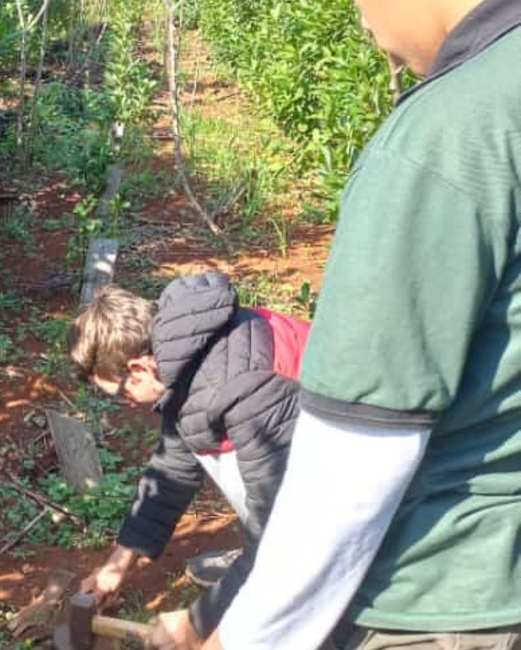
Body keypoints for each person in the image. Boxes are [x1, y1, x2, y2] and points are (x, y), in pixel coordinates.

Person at [194, 1, 521, 649]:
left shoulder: (447, 136)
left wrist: (245, 636)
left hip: (447, 593)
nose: (368, 29)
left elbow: (355, 455)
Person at [67, 273, 310, 647]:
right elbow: (172, 469)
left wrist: (199, 624)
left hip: (380, 491)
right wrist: (116, 566)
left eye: (117, 392)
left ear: (137, 368)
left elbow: (285, 537)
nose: (125, 402)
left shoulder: (242, 390)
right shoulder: (185, 352)